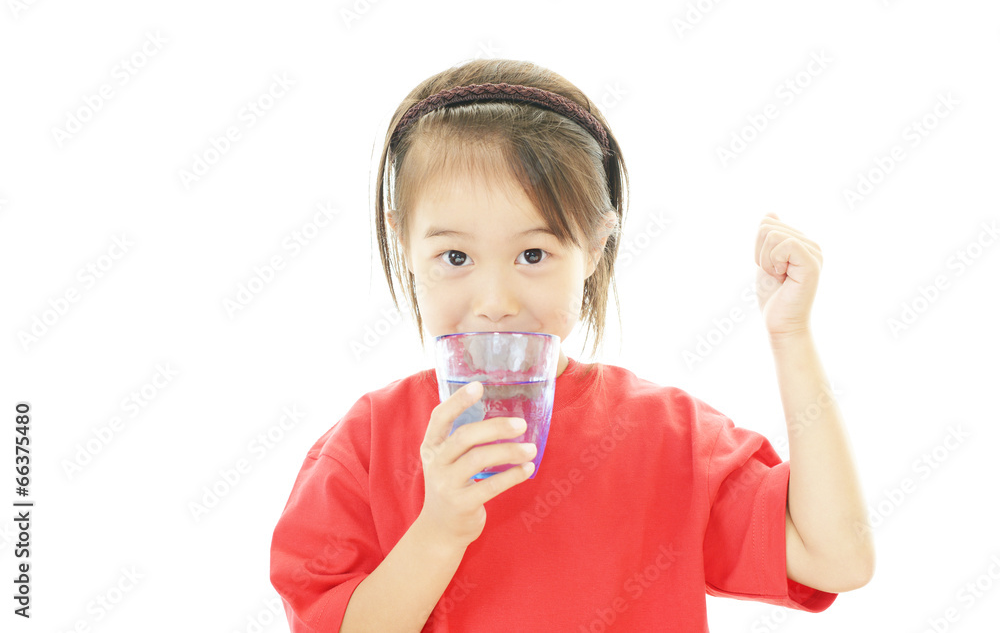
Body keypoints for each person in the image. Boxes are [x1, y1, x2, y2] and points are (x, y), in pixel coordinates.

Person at [269, 58, 875, 632]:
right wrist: (440, 528)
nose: (495, 300)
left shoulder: (670, 437)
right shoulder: (365, 448)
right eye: (455, 256)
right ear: (404, 243)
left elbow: (837, 558)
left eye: (533, 254)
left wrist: (791, 337)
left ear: (594, 247)